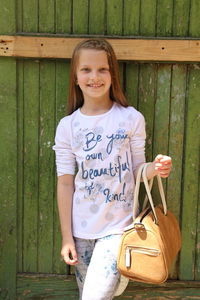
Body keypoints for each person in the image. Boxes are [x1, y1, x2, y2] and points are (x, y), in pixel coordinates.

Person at [52, 39, 172, 300]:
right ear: (75, 76)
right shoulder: (68, 126)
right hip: (81, 233)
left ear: (112, 74)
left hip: (118, 230)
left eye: (102, 69)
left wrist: (156, 168)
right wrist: (66, 238)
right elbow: (64, 183)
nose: (94, 77)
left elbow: (139, 169)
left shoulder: (130, 118)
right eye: (86, 69)